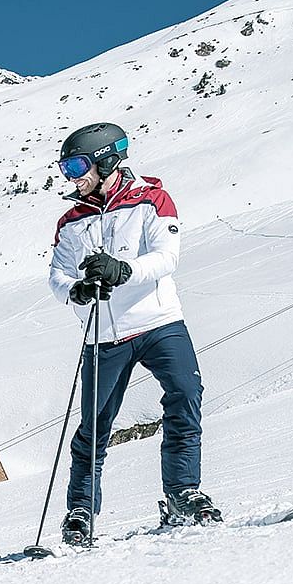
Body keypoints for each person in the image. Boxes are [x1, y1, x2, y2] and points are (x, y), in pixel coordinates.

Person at [49, 122, 219, 544]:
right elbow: (57, 276)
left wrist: (125, 271)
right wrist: (78, 290)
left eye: (76, 165)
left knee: (185, 396)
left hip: (159, 322)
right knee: (95, 426)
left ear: (106, 159)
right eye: (66, 167)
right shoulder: (71, 221)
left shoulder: (151, 200)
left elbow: (167, 257)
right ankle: (80, 513)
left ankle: (183, 492)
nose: (71, 176)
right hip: (104, 336)